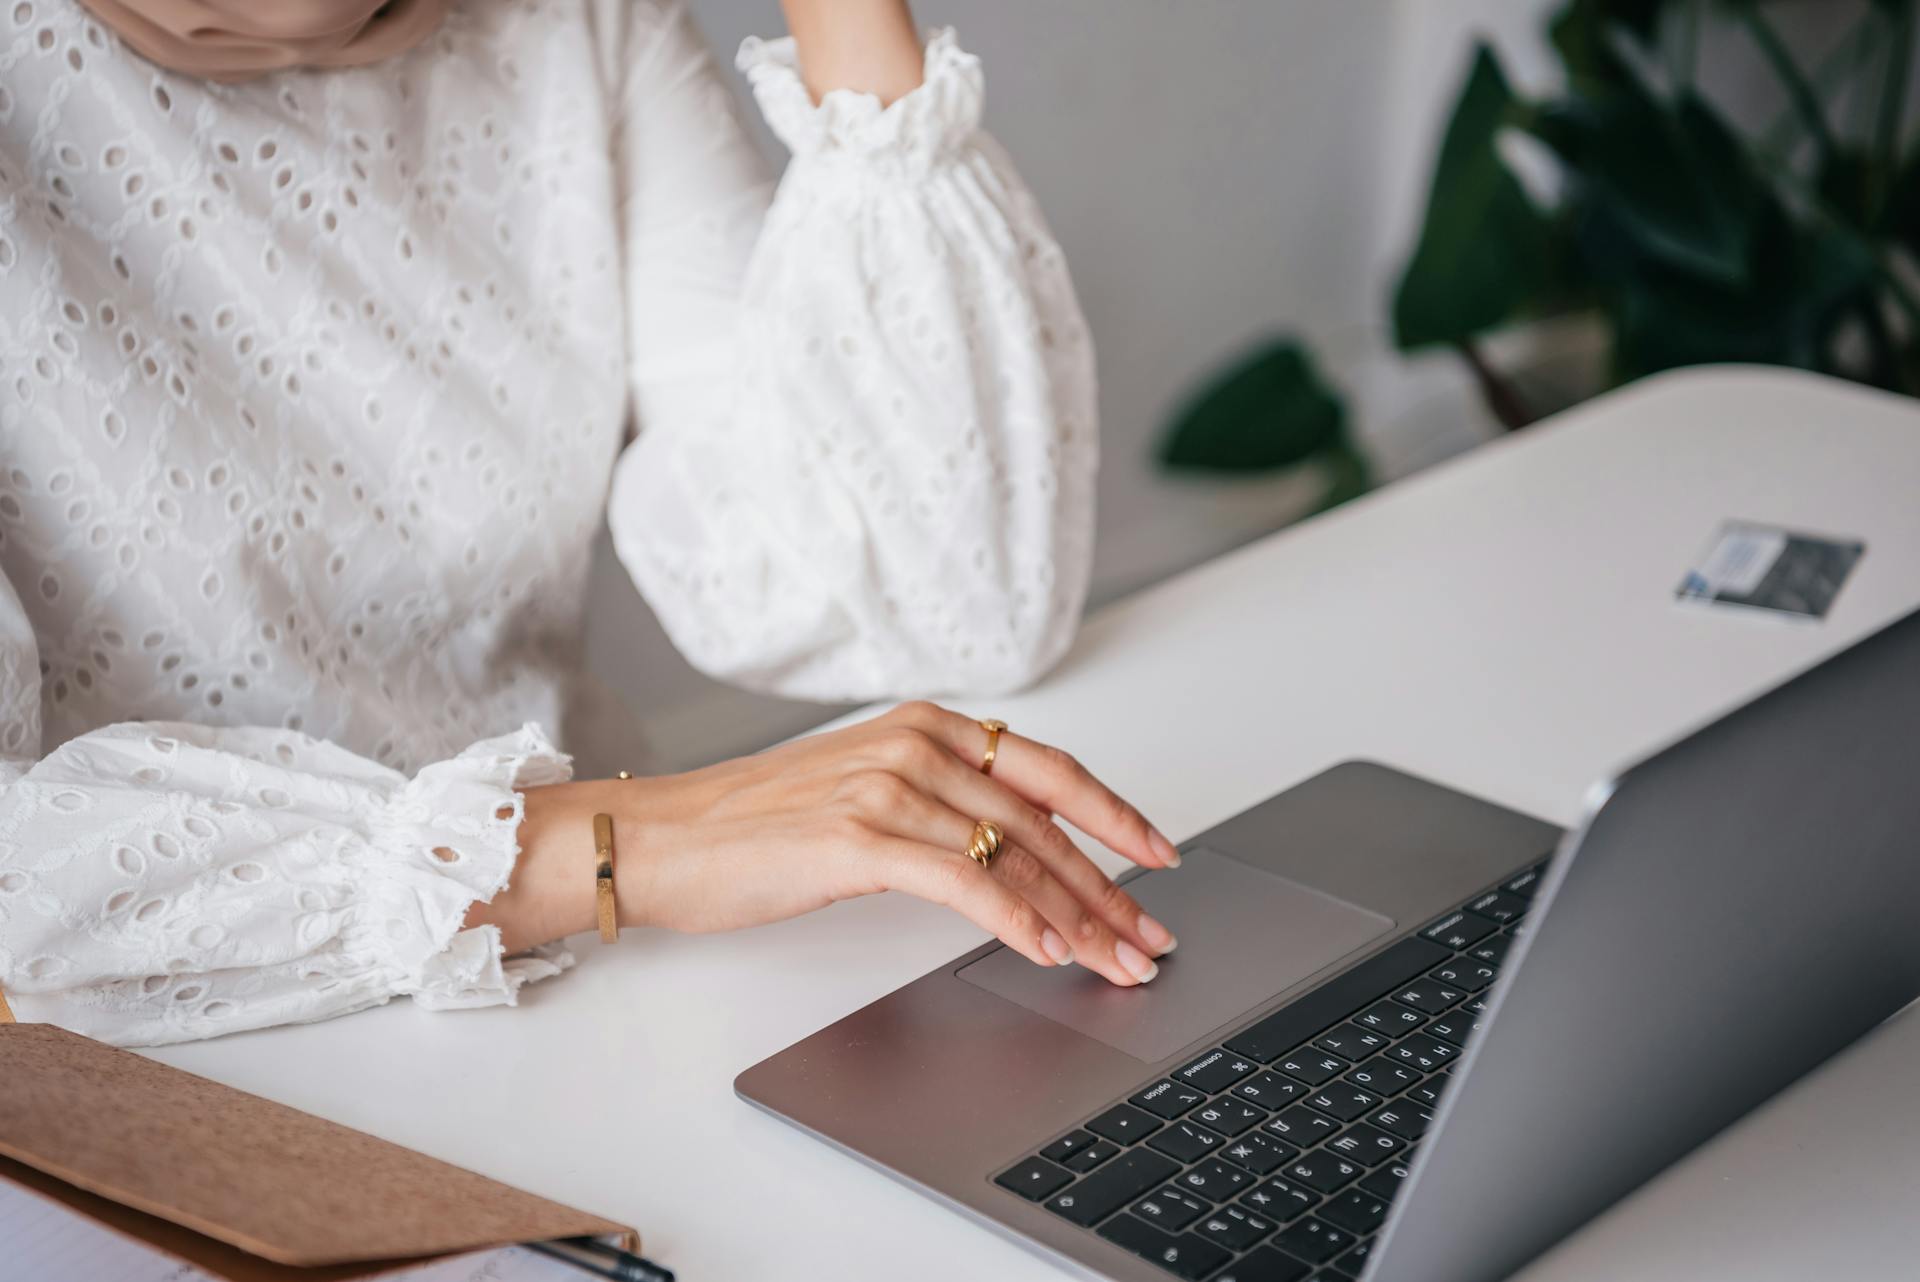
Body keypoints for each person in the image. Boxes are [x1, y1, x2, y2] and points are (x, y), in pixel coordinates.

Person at [0, 0, 1179, 1047]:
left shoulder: (575, 25)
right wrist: (636, 841)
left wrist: (849, 17)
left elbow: (956, 611)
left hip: (590, 991)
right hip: (174, 1061)